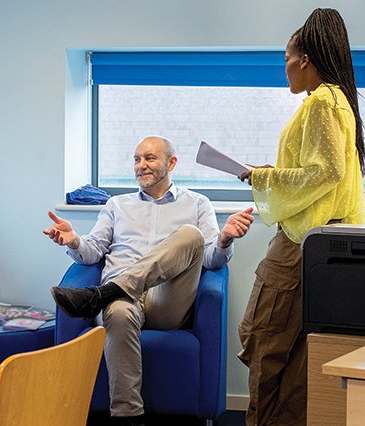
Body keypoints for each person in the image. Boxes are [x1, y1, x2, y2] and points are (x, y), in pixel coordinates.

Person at [44, 136, 255, 426]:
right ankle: (128, 416)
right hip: (123, 303)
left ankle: (104, 293)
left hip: (167, 301)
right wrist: (74, 240)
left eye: (150, 158)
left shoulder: (197, 203)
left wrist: (224, 239)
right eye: (137, 159)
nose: (141, 165)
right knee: (117, 311)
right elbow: (92, 251)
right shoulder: (117, 205)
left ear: (172, 163)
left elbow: (211, 260)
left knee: (191, 235)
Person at [236, 8, 365, 426]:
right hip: (322, 246)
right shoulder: (340, 101)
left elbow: (324, 172)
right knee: (298, 362)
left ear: (305, 59)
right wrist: (272, 174)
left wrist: (264, 177)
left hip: (299, 245)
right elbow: (325, 171)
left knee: (263, 342)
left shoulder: (322, 103)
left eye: (287, 59)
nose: (285, 68)